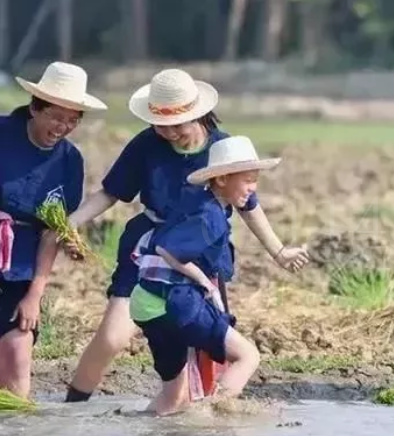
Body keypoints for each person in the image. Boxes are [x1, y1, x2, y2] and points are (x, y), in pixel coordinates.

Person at [63, 69, 309, 403]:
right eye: (160, 124)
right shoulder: (147, 145)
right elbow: (111, 192)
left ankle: (186, 417)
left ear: (198, 114)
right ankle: (73, 409)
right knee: (113, 337)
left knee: (196, 350)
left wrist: (278, 251)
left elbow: (248, 205)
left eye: (177, 124)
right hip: (148, 249)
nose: (168, 132)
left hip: (201, 254)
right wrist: (72, 222)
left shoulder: (224, 149)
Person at [129, 135, 274, 415]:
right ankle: (212, 416)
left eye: (255, 180)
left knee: (173, 398)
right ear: (221, 180)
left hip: (147, 303)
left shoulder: (197, 201)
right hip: (173, 300)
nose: (252, 189)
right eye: (247, 180)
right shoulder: (210, 214)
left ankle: (138, 425)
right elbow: (168, 249)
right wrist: (202, 279)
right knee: (247, 355)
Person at [0, 62, 107, 398]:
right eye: (56, 117)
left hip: (23, 262)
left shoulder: (69, 162)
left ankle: (20, 425)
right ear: (35, 108)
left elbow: (52, 230)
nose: (63, 127)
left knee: (19, 345)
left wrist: (35, 295)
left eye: (72, 120)